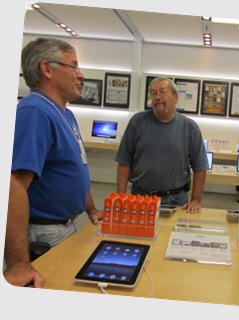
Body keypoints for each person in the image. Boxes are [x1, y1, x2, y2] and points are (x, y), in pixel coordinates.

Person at [4, 38, 103, 288]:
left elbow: (74, 167)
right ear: (47, 69)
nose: (81, 75)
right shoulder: (35, 112)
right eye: (73, 66)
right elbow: (12, 186)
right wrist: (17, 265)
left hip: (66, 226)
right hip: (43, 233)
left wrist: (91, 209)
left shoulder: (64, 113)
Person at [115, 77, 208, 214]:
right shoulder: (137, 122)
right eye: (153, 93)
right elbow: (124, 161)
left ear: (175, 97)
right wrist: (121, 196)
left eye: (162, 92)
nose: (157, 97)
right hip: (140, 198)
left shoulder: (190, 127)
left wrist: (196, 199)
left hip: (176, 201)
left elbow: (200, 167)